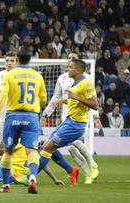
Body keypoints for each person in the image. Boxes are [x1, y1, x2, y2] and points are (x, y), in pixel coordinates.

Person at [0, 47, 47, 193]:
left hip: (13, 116)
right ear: (30, 59)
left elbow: (2, 96)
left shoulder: (9, 75)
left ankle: (5, 186)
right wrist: (36, 110)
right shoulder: (37, 76)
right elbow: (43, 99)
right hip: (31, 117)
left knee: (7, 151)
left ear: (17, 59)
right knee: (32, 152)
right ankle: (32, 177)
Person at [38, 59, 98, 188]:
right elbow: (74, 102)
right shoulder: (75, 84)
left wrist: (76, 97)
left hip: (76, 124)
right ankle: (72, 171)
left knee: (47, 147)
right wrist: (62, 101)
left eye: (70, 67)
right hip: (69, 121)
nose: (68, 69)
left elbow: (95, 104)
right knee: (47, 147)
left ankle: (29, 177)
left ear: (78, 70)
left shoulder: (86, 83)